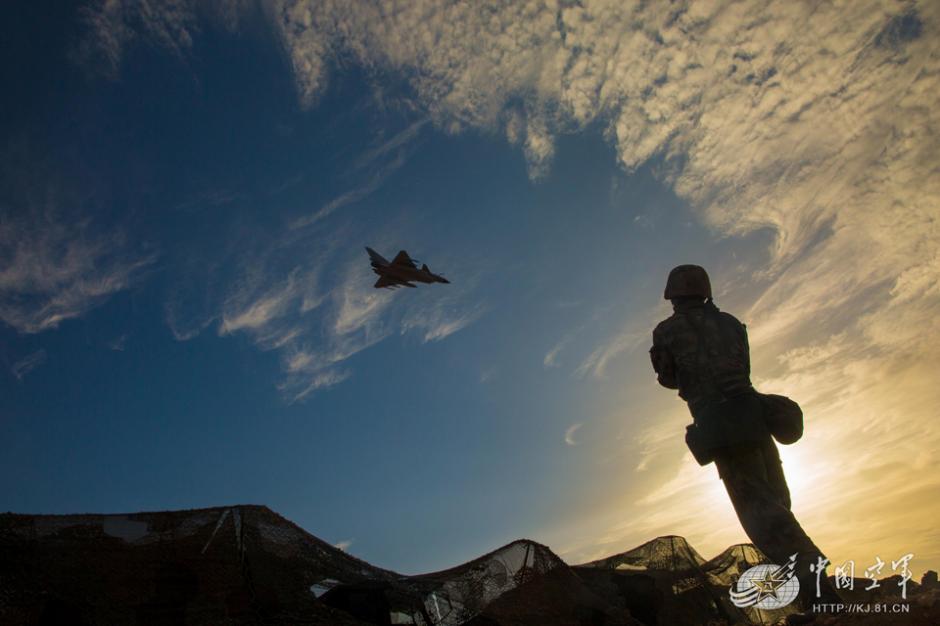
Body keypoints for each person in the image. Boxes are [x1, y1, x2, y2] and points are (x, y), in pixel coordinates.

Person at [649, 265, 842, 619]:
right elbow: (744, 368)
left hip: (722, 429)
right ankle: (818, 596)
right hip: (754, 419)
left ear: (672, 295)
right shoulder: (732, 324)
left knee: (763, 518)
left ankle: (822, 598)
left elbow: (669, 379)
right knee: (779, 505)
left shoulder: (666, 331)